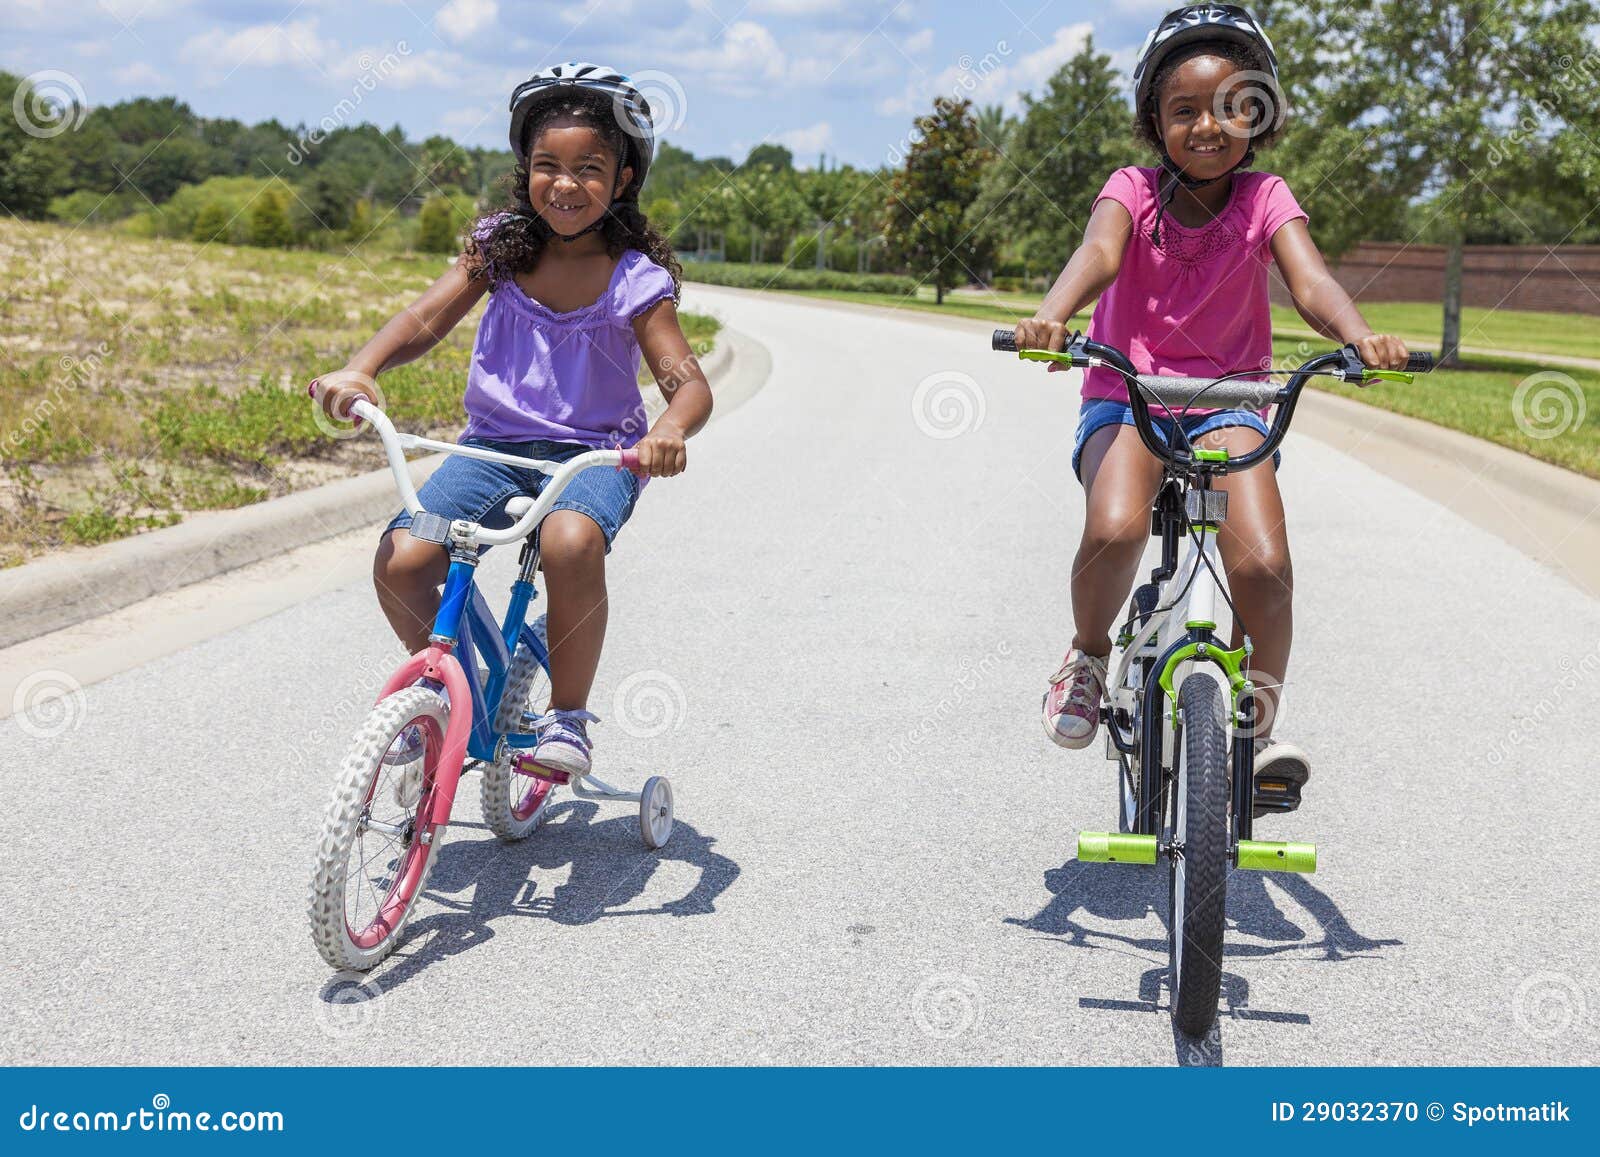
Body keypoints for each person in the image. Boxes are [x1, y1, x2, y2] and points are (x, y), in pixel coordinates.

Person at [1021, 6, 1410, 809]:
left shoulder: (1266, 196)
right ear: (1154, 121)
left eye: (1230, 106)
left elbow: (1310, 281)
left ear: (1257, 115)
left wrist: (1359, 335)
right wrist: (1054, 315)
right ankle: (1088, 657)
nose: (1207, 125)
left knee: (1265, 567)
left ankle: (1254, 723)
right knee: (1116, 526)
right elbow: (1098, 252)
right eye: (1184, 110)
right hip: (1128, 393)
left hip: (1231, 398)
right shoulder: (1129, 189)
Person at [316, 63, 712, 779]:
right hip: (492, 448)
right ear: (524, 169)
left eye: (589, 168)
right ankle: (450, 691)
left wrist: (672, 427)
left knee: (568, 543)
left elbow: (686, 380)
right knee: (404, 559)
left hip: (594, 455)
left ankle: (569, 716)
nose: (565, 184)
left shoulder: (633, 277)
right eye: (547, 165)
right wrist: (364, 365)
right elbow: (424, 318)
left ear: (623, 178)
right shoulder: (499, 246)